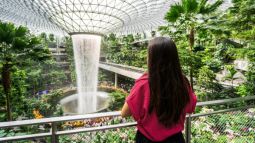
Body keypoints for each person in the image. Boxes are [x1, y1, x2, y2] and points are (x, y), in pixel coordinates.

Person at [121, 37, 197, 143]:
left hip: (146, 139)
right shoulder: (182, 82)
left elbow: (124, 113)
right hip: (175, 139)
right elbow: (190, 107)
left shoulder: (143, 84)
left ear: (153, 59)